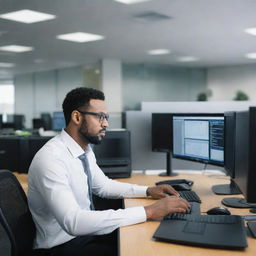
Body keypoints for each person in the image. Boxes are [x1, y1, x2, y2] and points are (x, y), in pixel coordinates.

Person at [28, 87, 190, 256]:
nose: (106, 123)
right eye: (100, 117)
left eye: (106, 117)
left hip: (84, 234)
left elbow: (103, 186)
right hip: (60, 246)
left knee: (145, 236)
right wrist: (149, 211)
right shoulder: (51, 159)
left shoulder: (84, 149)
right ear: (77, 117)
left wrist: (148, 191)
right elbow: (73, 222)